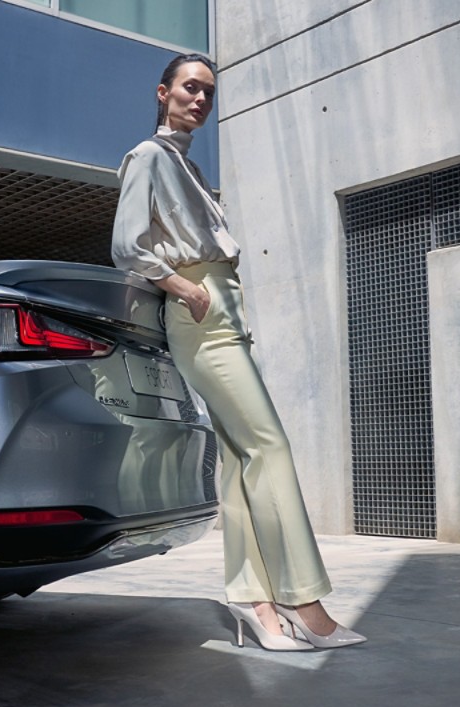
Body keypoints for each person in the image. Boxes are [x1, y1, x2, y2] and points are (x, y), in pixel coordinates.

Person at [111, 53, 366, 651]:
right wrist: (185, 289)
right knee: (268, 446)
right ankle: (304, 601)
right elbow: (127, 246)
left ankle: (258, 605)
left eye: (208, 92)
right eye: (190, 88)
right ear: (162, 92)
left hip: (224, 311)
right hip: (202, 312)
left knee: (240, 457)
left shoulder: (189, 168)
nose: (200, 99)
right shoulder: (148, 157)